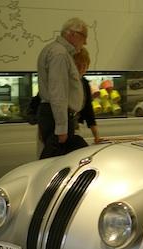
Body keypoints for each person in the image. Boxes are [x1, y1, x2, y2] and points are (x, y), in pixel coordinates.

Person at [37, 18, 89, 159]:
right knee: (56, 162)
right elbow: (58, 92)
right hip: (57, 116)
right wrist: (61, 128)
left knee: (58, 160)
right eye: (84, 37)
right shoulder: (59, 54)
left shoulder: (56, 51)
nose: (85, 42)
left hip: (55, 115)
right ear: (72, 34)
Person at [73, 47, 101, 143]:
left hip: (75, 126)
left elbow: (88, 110)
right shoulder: (63, 81)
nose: (81, 69)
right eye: (77, 65)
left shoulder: (84, 83)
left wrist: (96, 136)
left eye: (84, 65)